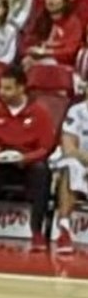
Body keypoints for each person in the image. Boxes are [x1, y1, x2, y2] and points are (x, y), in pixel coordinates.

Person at [0, 67, 55, 247]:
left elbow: (46, 147)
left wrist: (26, 158)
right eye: (1, 88)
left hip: (26, 164)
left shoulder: (39, 112)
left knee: (41, 171)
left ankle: (37, 231)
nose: (2, 93)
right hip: (0, 163)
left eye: (8, 89)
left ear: (21, 88)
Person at [52, 96, 88, 252]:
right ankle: (64, 228)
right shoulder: (76, 111)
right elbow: (68, 147)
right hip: (81, 160)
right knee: (70, 165)